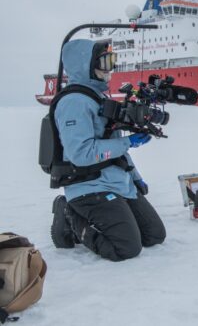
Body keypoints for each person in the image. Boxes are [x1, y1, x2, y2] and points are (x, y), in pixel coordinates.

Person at [50, 39, 166, 261]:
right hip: (88, 186)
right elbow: (81, 154)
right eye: (104, 62)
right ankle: (69, 215)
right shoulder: (74, 103)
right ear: (85, 64)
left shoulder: (99, 97)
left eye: (112, 61)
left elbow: (113, 145)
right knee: (126, 247)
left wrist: (135, 177)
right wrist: (129, 142)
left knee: (154, 235)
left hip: (116, 181)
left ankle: (116, 206)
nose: (110, 68)